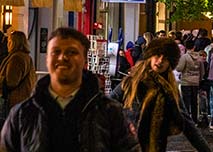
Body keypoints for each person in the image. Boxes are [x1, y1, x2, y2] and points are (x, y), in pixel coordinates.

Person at [0, 27, 140, 151]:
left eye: (72, 52)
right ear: (47, 59)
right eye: (56, 52)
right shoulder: (22, 114)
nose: (63, 57)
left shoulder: (110, 113)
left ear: (85, 59)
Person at [113, 37, 211, 152]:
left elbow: (188, 125)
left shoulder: (169, 89)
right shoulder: (132, 82)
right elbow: (107, 106)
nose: (160, 61)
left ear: (170, 63)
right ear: (150, 56)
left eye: (165, 59)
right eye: (157, 55)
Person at [0, 31, 36, 124]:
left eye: (9, 41)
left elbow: (11, 82)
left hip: (15, 100)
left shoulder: (16, 58)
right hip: (23, 100)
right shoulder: (26, 57)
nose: (8, 44)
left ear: (15, 42)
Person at [175, 44, 205, 125]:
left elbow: (179, 68)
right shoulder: (199, 57)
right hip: (195, 82)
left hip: (186, 82)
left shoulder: (184, 57)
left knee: (186, 102)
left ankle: (187, 120)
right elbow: (202, 71)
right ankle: (195, 120)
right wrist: (199, 79)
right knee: (194, 102)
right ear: (194, 47)